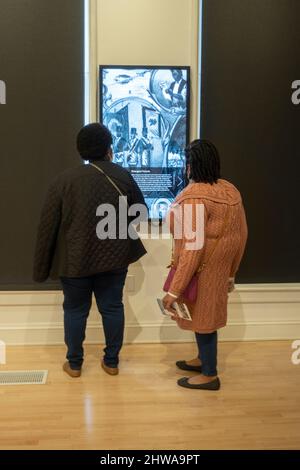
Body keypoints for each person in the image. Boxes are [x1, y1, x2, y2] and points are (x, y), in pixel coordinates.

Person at [33, 123, 147, 378]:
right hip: (115, 258)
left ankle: (74, 364)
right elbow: (140, 213)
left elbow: (47, 226)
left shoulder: (64, 181)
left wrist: (41, 267)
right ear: (109, 148)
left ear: (80, 150)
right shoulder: (122, 176)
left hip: (75, 260)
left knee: (75, 310)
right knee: (112, 307)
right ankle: (111, 362)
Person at [163, 140, 248, 391]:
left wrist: (174, 290)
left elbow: (192, 247)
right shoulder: (230, 191)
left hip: (199, 269)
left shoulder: (194, 197)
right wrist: (231, 273)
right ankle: (203, 360)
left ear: (190, 166)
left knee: (204, 318)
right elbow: (242, 234)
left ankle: (209, 374)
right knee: (205, 315)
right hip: (219, 269)